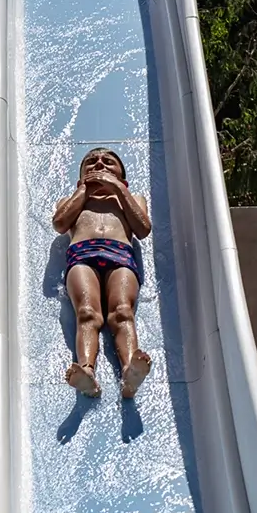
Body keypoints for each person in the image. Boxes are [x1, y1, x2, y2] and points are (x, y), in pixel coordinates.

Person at [52, 147, 152, 399]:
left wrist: (118, 189)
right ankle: (86, 371)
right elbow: (60, 223)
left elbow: (142, 228)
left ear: (122, 177)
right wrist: (83, 191)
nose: (99, 165)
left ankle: (130, 371)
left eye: (108, 162)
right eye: (91, 162)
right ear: (80, 176)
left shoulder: (130, 198)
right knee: (87, 313)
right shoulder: (72, 200)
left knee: (122, 311)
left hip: (119, 253)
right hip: (82, 254)